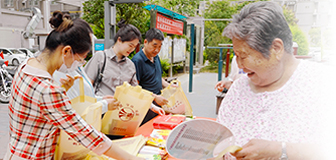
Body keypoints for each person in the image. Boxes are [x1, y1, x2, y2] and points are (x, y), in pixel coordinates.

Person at [5, 11, 143, 160]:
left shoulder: (26, 66)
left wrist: (64, 91)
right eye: (81, 59)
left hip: (15, 152)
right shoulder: (49, 90)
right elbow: (84, 133)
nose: (80, 64)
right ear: (66, 51)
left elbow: (37, 111)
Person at [216, 2, 334, 160]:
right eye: (236, 56)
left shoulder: (323, 84)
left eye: (243, 56)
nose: (239, 65)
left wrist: (281, 151)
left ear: (276, 48)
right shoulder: (238, 89)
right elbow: (217, 143)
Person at [84, 21, 164, 119]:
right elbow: (86, 87)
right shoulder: (100, 58)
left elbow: (136, 91)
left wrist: (152, 106)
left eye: (134, 47)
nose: (132, 50)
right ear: (119, 40)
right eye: (130, 45)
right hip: (100, 114)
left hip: (121, 116)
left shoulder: (130, 65)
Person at [132, 28, 171, 125]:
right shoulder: (137, 61)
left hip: (159, 102)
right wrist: (154, 97)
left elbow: (158, 77)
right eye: (154, 46)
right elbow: (135, 89)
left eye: (160, 46)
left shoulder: (156, 57)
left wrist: (170, 87)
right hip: (146, 106)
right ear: (145, 42)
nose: (157, 50)